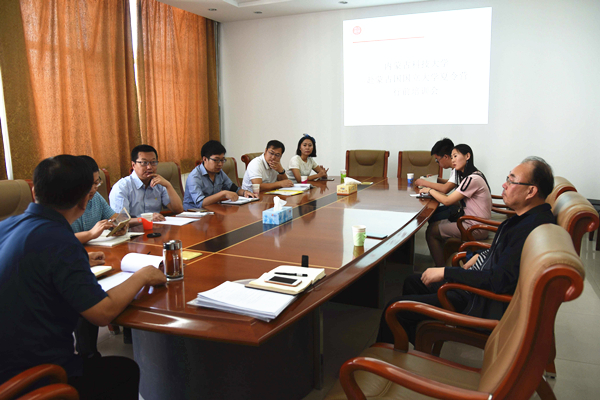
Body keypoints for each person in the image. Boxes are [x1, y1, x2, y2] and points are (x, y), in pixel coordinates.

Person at [0, 155, 166, 399]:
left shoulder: (7, 225)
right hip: (32, 375)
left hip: (6, 360)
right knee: (123, 371)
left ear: (35, 191)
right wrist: (142, 275)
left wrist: (78, 260)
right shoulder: (60, 241)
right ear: (84, 200)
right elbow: (102, 313)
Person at [377, 157, 555, 345]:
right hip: (476, 286)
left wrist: (447, 272)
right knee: (413, 282)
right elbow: (504, 256)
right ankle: (422, 340)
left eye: (511, 181)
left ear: (531, 191)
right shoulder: (529, 217)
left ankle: (389, 352)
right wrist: (477, 255)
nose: (504, 185)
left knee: (394, 308)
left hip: (477, 299)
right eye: (507, 179)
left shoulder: (530, 230)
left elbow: (498, 280)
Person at [423, 144, 492, 267]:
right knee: (435, 224)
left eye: (455, 156)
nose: (453, 160)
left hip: (475, 227)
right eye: (452, 157)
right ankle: (443, 264)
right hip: (474, 223)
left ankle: (441, 270)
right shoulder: (472, 175)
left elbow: (448, 201)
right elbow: (454, 199)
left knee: (431, 232)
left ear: (467, 156)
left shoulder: (472, 179)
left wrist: (429, 190)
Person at [109, 144, 184, 220]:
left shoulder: (159, 184)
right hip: (134, 227)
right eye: (144, 163)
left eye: (153, 162)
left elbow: (178, 210)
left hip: (157, 226)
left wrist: (168, 185)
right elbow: (120, 220)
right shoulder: (121, 187)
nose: (149, 167)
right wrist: (146, 219)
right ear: (133, 165)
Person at [183, 140, 257, 209]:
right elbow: (201, 203)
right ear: (205, 159)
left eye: (222, 160)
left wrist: (245, 193)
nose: (220, 164)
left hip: (213, 210)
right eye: (216, 160)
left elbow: (234, 189)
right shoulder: (194, 177)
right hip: (194, 213)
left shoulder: (219, 172)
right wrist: (223, 193)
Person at [72, 156, 128, 244]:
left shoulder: (96, 197)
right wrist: (91, 234)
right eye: (88, 184)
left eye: (96, 183)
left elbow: (116, 217)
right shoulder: (63, 204)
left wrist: (121, 225)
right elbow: (60, 240)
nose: (92, 189)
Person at [413, 138, 461, 222]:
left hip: (462, 210)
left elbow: (445, 189)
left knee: (430, 217)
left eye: (437, 159)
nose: (437, 162)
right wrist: (438, 179)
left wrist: (425, 183)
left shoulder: (458, 169)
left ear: (446, 157)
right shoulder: (455, 169)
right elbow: (452, 182)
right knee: (430, 214)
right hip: (458, 205)